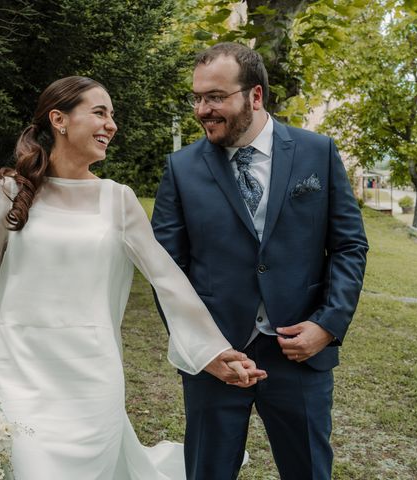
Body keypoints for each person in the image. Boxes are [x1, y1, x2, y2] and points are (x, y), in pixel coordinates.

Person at [0, 75, 267, 479]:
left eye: (113, 115)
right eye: (100, 113)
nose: (112, 124)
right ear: (60, 119)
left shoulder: (117, 200)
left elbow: (168, 281)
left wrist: (210, 352)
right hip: (19, 372)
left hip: (92, 377)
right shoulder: (9, 193)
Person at [151, 43, 368, 480]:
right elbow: (165, 272)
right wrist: (203, 349)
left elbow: (349, 246)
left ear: (254, 96)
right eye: (196, 98)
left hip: (300, 355)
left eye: (215, 97)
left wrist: (327, 325)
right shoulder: (181, 168)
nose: (202, 110)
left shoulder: (318, 153)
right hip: (217, 359)